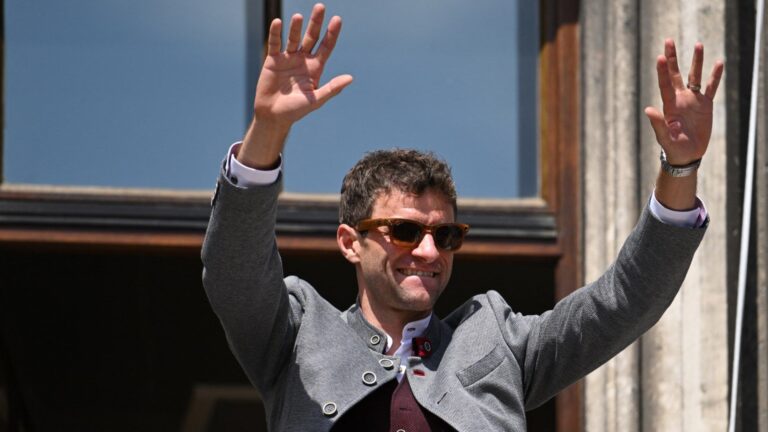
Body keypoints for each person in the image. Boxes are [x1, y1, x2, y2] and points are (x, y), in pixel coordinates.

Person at [201, 4, 724, 431]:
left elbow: (623, 302)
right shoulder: (297, 337)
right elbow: (234, 272)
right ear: (349, 241)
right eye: (405, 231)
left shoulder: (497, 343)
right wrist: (267, 131)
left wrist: (680, 168)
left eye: (445, 235)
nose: (429, 252)